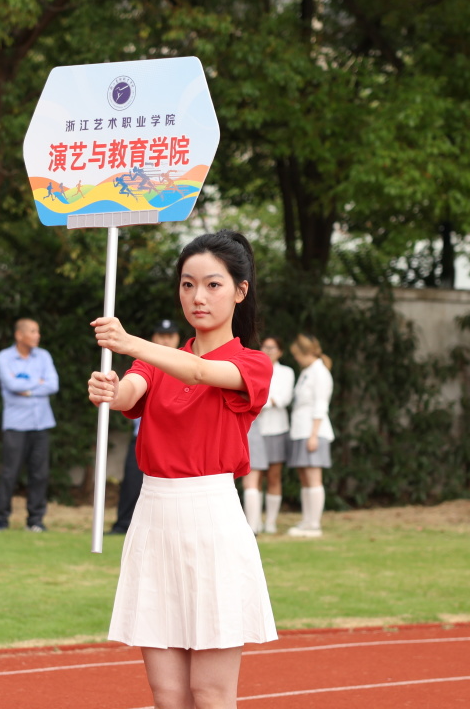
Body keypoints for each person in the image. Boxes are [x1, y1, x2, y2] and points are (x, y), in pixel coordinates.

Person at [87, 230, 277, 709]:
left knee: (209, 693)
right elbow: (129, 393)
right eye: (188, 284)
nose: (198, 297)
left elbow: (198, 371)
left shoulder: (252, 364)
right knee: (168, 695)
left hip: (212, 521)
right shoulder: (155, 363)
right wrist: (110, 390)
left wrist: (130, 342)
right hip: (154, 518)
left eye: (213, 285)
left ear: (240, 290)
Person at [108, 319, 181, 535]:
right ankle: (123, 525)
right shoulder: (145, 363)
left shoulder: (188, 365)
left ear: (177, 338)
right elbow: (128, 390)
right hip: (142, 437)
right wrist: (115, 393)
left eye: (170, 336)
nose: (165, 340)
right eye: (161, 336)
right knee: (132, 482)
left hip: (175, 441)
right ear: (153, 337)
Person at [0, 318, 59, 532]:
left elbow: (53, 385)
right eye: (33, 331)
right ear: (19, 335)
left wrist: (27, 390)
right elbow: (11, 384)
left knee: (40, 474)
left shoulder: (44, 356)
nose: (38, 335)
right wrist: (38, 383)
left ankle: (35, 521)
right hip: (16, 425)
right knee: (9, 473)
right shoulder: (4, 357)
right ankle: (0, 520)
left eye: (38, 331)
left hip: (41, 424)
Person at [243, 336, 296, 534]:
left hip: (276, 429)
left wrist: (262, 402)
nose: (268, 351)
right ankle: (253, 523)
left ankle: (271, 522)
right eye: (265, 347)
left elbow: (283, 399)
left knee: (274, 476)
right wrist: (266, 401)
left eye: (273, 348)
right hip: (254, 429)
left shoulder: (286, 372)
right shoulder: (254, 368)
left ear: (280, 352)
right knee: (253, 477)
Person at [285, 333, 335, 539]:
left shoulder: (320, 372)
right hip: (300, 430)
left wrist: (314, 435)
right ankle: (307, 520)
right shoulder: (307, 372)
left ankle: (314, 525)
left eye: (297, 354)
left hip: (313, 431)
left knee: (314, 478)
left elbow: (321, 405)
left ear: (305, 353)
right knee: (305, 477)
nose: (296, 358)